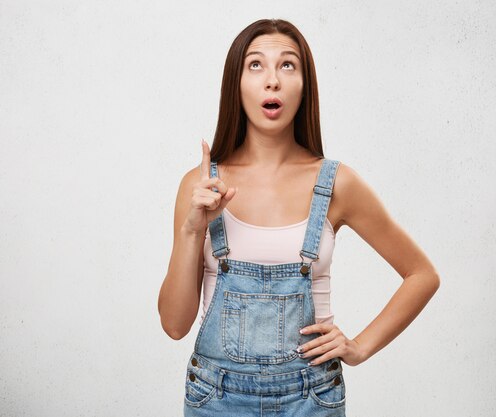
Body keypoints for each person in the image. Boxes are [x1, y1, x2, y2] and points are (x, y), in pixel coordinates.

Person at [158, 18, 440, 416]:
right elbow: (174, 326)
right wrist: (192, 229)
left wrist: (358, 347)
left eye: (287, 65)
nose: (272, 80)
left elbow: (422, 274)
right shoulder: (201, 185)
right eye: (255, 65)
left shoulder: (337, 183)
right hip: (215, 400)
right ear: (235, 84)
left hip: (310, 399)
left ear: (304, 86)